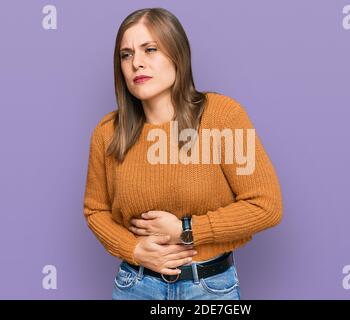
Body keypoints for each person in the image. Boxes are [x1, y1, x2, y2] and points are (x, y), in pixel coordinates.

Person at [83, 7, 283, 300]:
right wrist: (135, 249)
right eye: (126, 55)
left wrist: (186, 229)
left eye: (150, 49)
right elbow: (95, 210)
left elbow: (266, 205)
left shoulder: (222, 116)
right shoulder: (108, 132)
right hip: (135, 286)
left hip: (210, 289)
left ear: (178, 54)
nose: (137, 63)